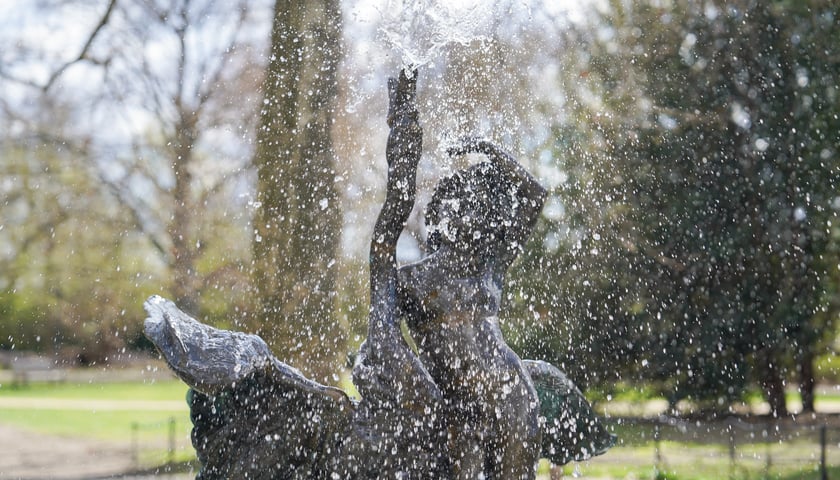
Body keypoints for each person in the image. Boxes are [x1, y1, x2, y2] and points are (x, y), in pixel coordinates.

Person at [397, 137, 547, 479]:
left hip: (512, 395)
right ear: (440, 211)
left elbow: (534, 195)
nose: (470, 208)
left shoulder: (491, 262)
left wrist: (490, 149)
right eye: (461, 199)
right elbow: (386, 343)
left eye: (478, 203)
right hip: (455, 409)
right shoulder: (411, 280)